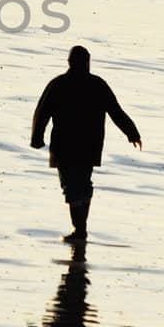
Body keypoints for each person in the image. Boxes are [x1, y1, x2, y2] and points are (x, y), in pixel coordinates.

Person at [31, 45, 142, 242]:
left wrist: (37, 138)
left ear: (69, 62)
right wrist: (131, 132)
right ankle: (81, 229)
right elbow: (116, 111)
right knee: (82, 185)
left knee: (71, 187)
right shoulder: (97, 85)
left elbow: (42, 113)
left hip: (64, 147)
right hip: (89, 147)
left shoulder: (58, 84)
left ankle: (79, 230)